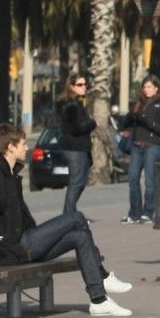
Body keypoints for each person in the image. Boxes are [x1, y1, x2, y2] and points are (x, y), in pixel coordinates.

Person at [0, 124, 134, 315]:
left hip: (26, 241)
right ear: (10, 146)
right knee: (76, 217)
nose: (27, 148)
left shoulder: (11, 173)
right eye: (23, 144)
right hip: (15, 247)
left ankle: (98, 299)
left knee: (80, 237)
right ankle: (102, 276)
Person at [120, 75, 160, 224]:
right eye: (145, 87)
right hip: (136, 145)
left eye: (149, 87)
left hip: (152, 146)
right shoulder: (138, 104)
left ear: (156, 88)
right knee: (133, 178)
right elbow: (124, 124)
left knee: (150, 181)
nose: (146, 90)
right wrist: (131, 116)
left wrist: (145, 120)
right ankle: (134, 212)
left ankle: (148, 212)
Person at [56, 72, 96, 215]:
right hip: (74, 149)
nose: (83, 87)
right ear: (71, 86)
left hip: (81, 148)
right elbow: (76, 128)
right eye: (79, 85)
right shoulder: (72, 105)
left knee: (81, 182)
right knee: (76, 182)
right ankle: (68, 213)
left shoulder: (79, 103)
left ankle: (69, 211)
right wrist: (92, 123)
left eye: (85, 84)